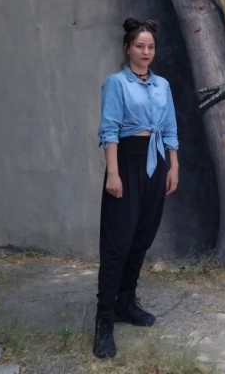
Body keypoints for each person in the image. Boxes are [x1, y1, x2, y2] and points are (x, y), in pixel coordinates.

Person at [93, 18, 179, 359]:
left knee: (142, 238)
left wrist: (174, 166)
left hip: (156, 162)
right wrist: (113, 174)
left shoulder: (163, 86)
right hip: (126, 163)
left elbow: (170, 126)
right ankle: (103, 322)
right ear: (128, 48)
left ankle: (125, 302)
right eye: (140, 46)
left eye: (151, 47)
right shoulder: (115, 84)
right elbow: (109, 130)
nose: (146, 52)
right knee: (117, 242)